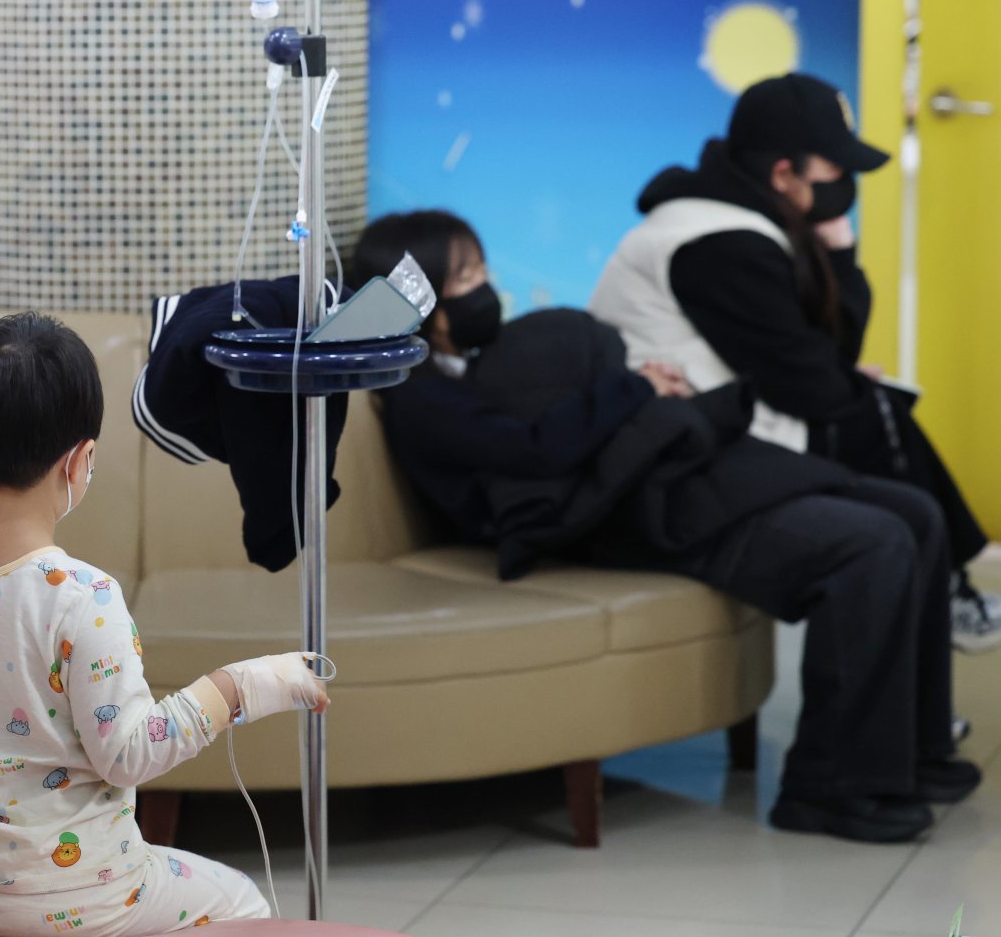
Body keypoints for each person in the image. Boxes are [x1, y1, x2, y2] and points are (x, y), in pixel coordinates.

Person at [354, 210, 980, 844]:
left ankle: (918, 752)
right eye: (464, 278)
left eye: (482, 269)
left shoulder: (484, 362)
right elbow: (532, 452)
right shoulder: (416, 393)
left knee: (915, 513)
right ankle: (830, 787)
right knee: (870, 544)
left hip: (649, 480)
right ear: (417, 298)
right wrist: (634, 390)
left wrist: (645, 389)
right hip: (611, 517)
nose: (484, 287)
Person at [0, 313, 329, 935]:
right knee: (239, 900)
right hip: (82, 892)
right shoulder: (84, 598)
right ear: (81, 461)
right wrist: (239, 686)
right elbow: (129, 754)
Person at [589, 73, 1000, 653]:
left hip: (724, 419)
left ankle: (947, 588)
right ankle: (949, 589)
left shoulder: (747, 222)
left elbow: (823, 359)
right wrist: (841, 272)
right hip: (684, 457)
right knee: (873, 415)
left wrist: (838, 257)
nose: (846, 185)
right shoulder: (720, 244)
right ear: (784, 174)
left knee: (874, 408)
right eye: (836, 169)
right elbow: (814, 387)